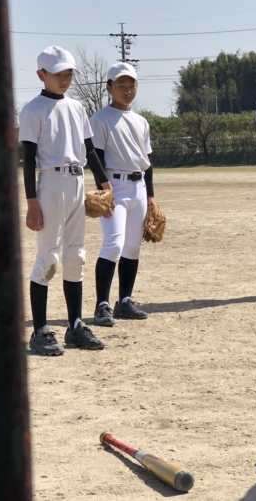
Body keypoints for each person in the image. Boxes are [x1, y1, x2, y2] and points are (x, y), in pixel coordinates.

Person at [19, 46, 111, 355]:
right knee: (49, 259)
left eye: (69, 73)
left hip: (76, 181)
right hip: (51, 183)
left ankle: (75, 326)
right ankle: (40, 331)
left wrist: (104, 183)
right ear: (41, 74)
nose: (65, 79)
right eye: (58, 74)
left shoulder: (77, 107)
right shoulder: (32, 110)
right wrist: (32, 202)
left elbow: (89, 149)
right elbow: (28, 159)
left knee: (76, 256)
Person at [90, 63, 155, 326]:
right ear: (109, 88)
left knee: (132, 246)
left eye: (131, 85)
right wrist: (104, 190)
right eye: (121, 85)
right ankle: (102, 306)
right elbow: (95, 157)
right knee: (114, 244)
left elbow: (147, 161)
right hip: (114, 186)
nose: (127, 90)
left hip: (138, 187)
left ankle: (124, 301)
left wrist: (150, 196)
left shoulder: (141, 121)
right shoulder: (100, 118)